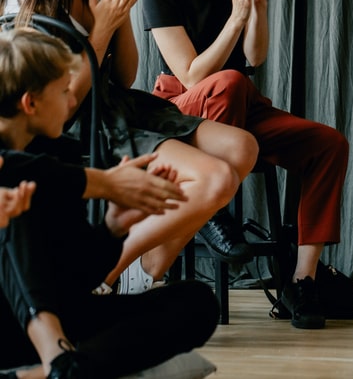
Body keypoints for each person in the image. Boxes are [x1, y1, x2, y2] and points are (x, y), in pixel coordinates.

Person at [0, 0, 260, 296]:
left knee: (242, 148)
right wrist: (100, 29)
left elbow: (124, 75)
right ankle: (102, 270)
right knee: (214, 181)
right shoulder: (23, 6)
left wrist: (119, 13)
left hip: (119, 103)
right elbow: (64, 106)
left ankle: (144, 272)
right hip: (83, 124)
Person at [139, 0, 353, 329]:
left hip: (239, 103)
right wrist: (236, 18)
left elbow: (255, 57)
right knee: (228, 82)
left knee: (328, 143)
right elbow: (192, 75)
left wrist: (258, 2)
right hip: (183, 115)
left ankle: (303, 280)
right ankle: (212, 210)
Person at [0, 27, 219, 379]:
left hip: (65, 315)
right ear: (31, 102)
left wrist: (115, 225)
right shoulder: (20, 171)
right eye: (63, 91)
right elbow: (16, 169)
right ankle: (57, 359)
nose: (73, 101)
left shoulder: (63, 155)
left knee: (197, 303)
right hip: (8, 328)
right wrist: (104, 183)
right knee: (13, 198)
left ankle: (58, 372)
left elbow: (79, 278)